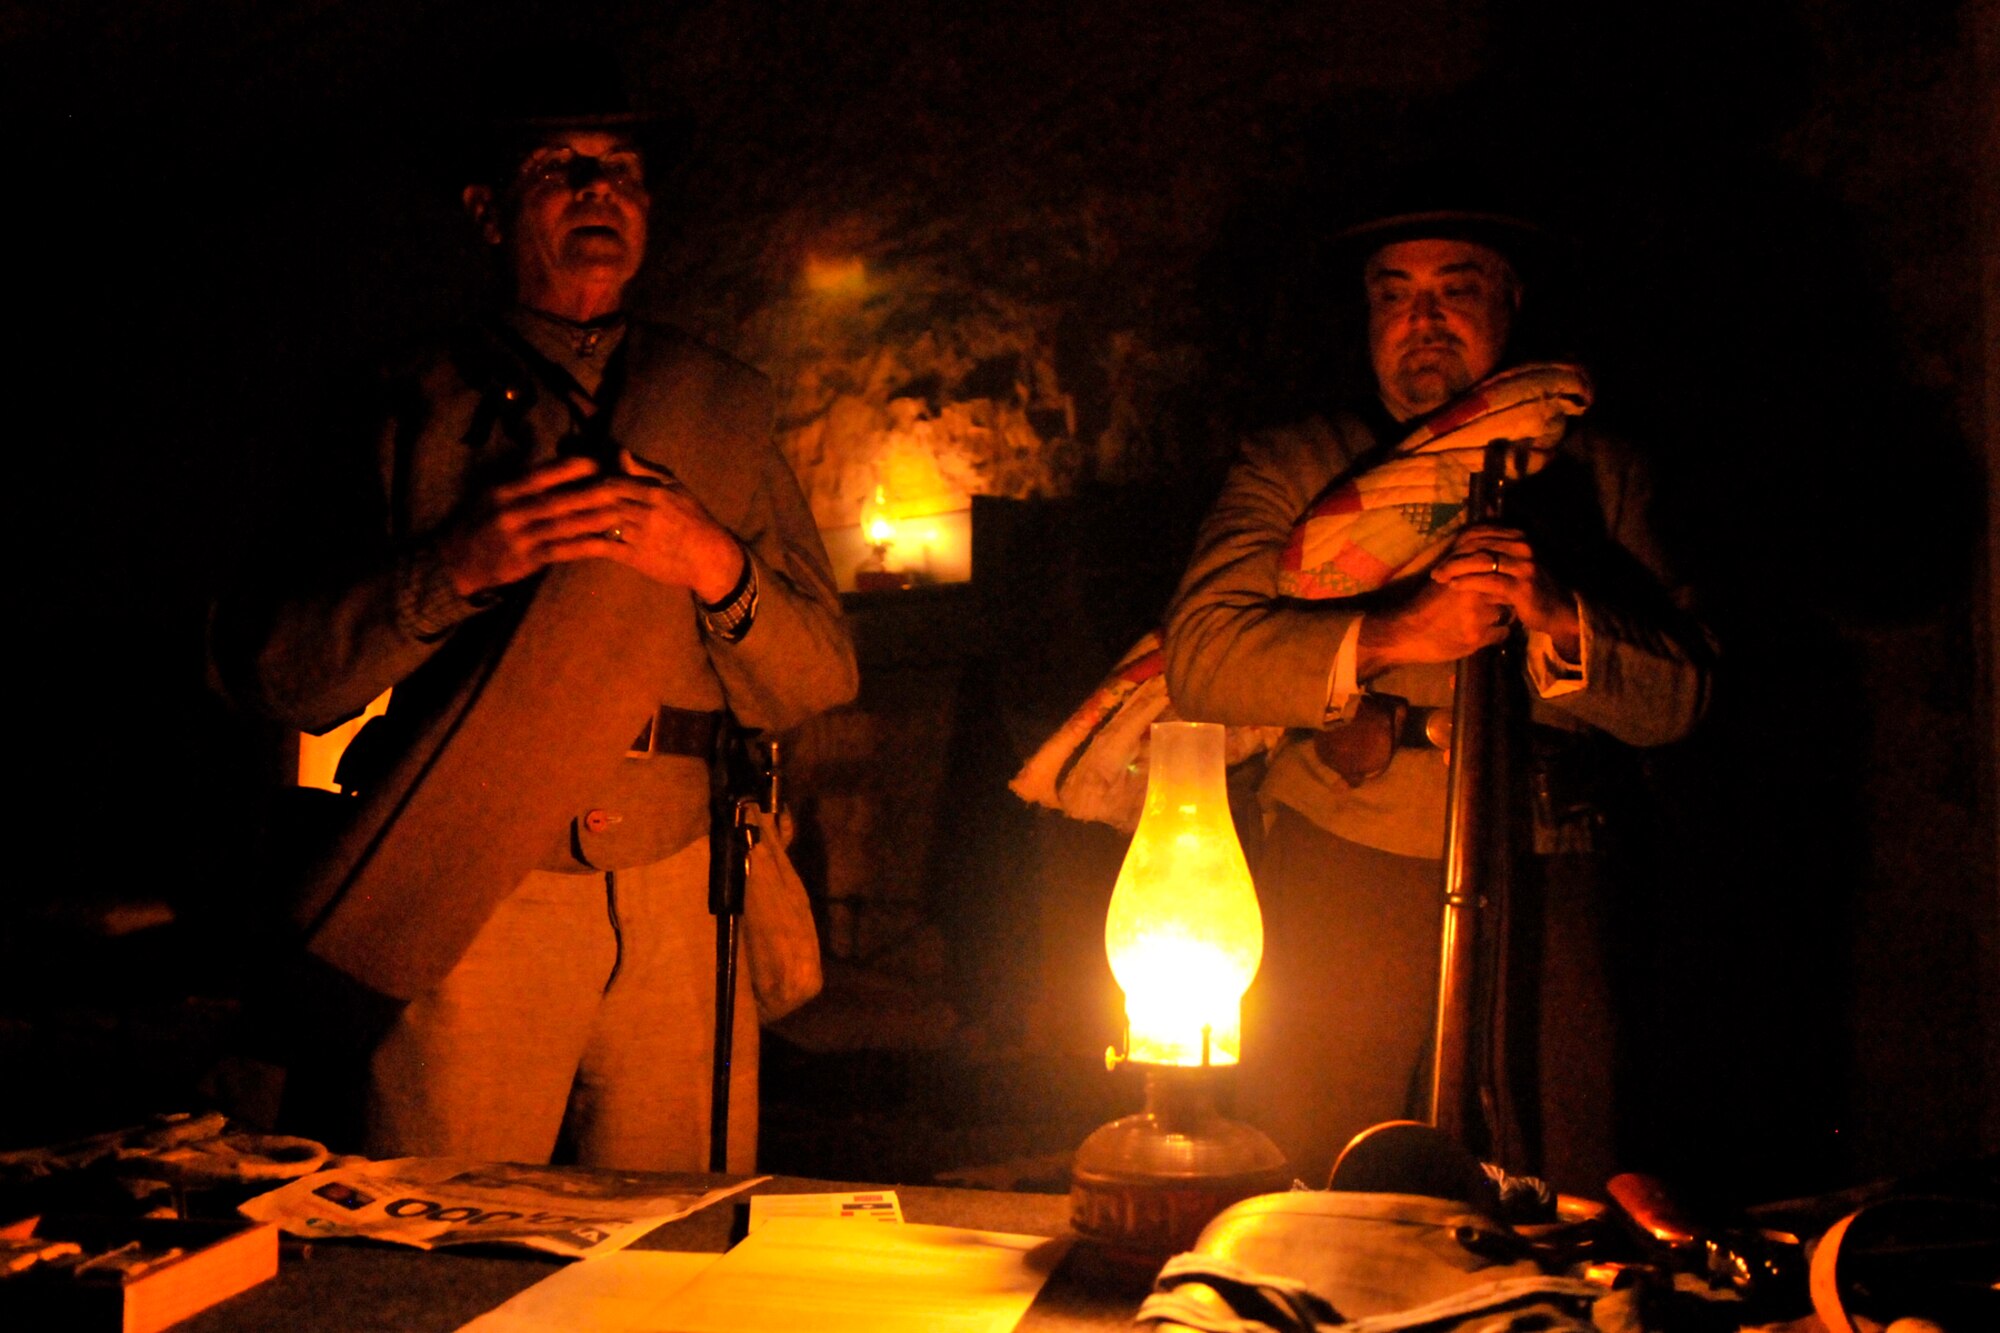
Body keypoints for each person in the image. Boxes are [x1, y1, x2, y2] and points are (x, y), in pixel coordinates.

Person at [207, 60, 857, 1172]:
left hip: (681, 884)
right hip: (472, 878)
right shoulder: (404, 401)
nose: (596, 191)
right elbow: (276, 670)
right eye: (558, 169)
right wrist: (452, 568)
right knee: (439, 1239)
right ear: (488, 208)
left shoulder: (721, 407)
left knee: (673, 1255)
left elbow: (818, 675)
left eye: (621, 173)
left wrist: (711, 563)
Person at [1162, 206, 1712, 1190]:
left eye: (1454, 289)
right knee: (1316, 1176)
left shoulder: (1605, 471)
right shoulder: (1298, 464)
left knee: (1562, 1172)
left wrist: (1557, 617)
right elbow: (1200, 657)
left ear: (1509, 302)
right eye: (1393, 294)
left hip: (1547, 867)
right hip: (1347, 861)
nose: (1423, 320)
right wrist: (1396, 634)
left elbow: (1683, 696)